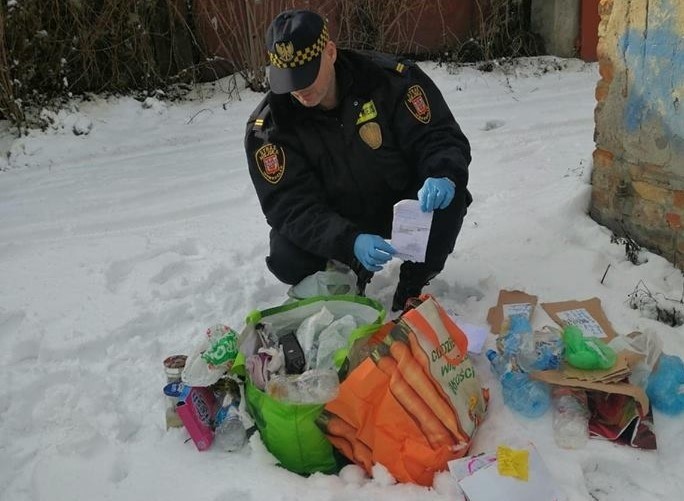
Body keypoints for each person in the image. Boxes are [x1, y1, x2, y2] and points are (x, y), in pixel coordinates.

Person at [244, 9, 472, 311]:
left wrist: (443, 173)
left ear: (330, 52)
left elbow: (438, 135)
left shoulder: (390, 82)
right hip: (338, 218)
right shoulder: (271, 129)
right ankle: (347, 277)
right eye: (289, 80)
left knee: (449, 199)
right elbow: (291, 207)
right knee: (287, 254)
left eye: (306, 76)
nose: (298, 90)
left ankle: (414, 282)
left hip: (398, 204)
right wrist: (348, 241)